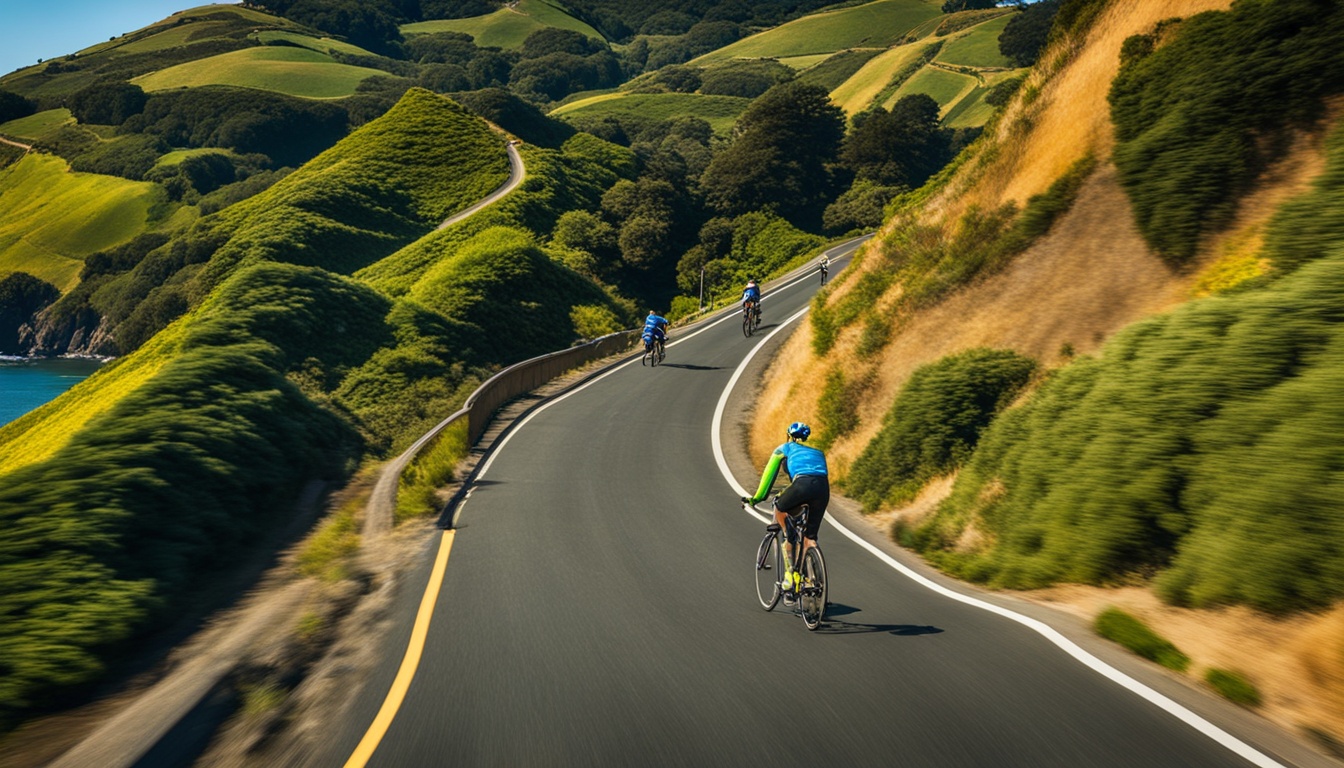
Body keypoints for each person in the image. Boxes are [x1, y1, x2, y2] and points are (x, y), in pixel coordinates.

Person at [741, 422, 829, 604]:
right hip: (822, 489)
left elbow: (768, 477)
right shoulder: (818, 452)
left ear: (788, 435)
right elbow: (814, 475)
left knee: (781, 508)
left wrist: (756, 499)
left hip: (802, 484)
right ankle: (812, 578)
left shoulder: (785, 448)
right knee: (810, 538)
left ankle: (791, 573)